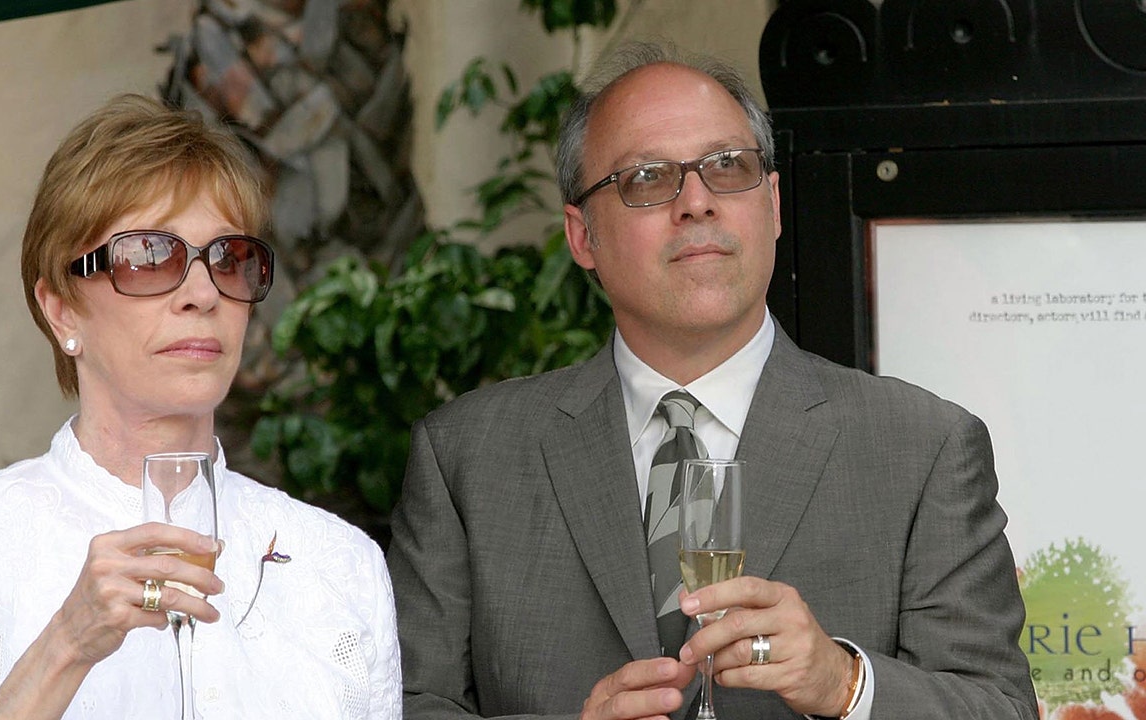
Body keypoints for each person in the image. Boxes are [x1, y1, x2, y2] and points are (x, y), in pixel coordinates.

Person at [386, 41, 1038, 720]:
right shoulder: (467, 458)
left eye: (728, 167)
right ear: (582, 237)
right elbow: (398, 704)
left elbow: (1000, 706)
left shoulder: (921, 448)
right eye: (647, 177)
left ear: (774, 205)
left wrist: (844, 683)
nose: (696, 202)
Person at [0, 94, 400, 719]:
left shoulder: (340, 563)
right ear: (61, 308)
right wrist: (66, 644)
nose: (203, 293)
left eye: (231, 260)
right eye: (150, 258)